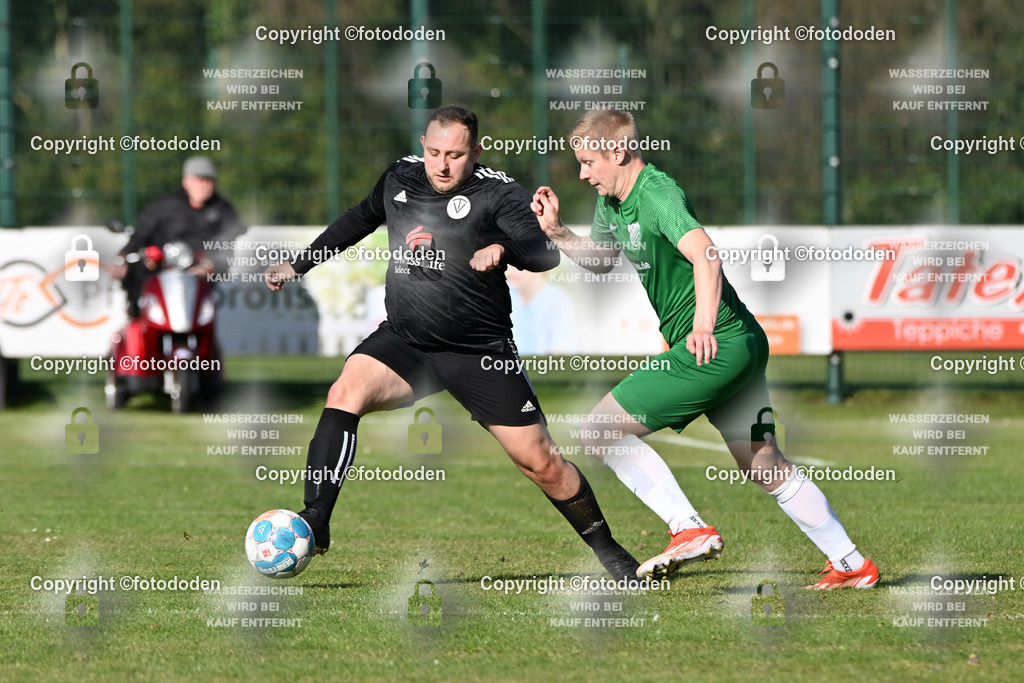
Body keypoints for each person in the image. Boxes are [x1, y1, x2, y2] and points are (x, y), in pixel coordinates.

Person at [263, 105, 639, 582]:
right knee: (344, 393)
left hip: (479, 352)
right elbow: (357, 219)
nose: (442, 165)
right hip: (406, 341)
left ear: (475, 152)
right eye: (435, 152)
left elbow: (543, 252)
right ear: (423, 144)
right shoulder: (399, 178)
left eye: (456, 155)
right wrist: (299, 264)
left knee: (541, 462)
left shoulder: (498, 192)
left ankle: (609, 551)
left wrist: (504, 248)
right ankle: (316, 519)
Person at [531, 110, 879, 589]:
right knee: (764, 464)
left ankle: (687, 527)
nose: (582, 174)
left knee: (598, 430)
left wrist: (701, 326)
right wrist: (558, 234)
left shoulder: (657, 193)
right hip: (740, 345)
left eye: (589, 162)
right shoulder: (611, 203)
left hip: (718, 344)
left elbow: (706, 255)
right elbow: (604, 260)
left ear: (618, 152)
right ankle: (851, 564)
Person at [112, 156, 245, 316]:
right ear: (186, 181)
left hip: (199, 277)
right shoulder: (163, 206)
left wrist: (210, 266)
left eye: (208, 180)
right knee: (137, 283)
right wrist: (123, 256)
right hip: (159, 271)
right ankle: (136, 320)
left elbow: (227, 247)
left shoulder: (223, 210)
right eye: (199, 179)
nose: (203, 185)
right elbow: (141, 235)